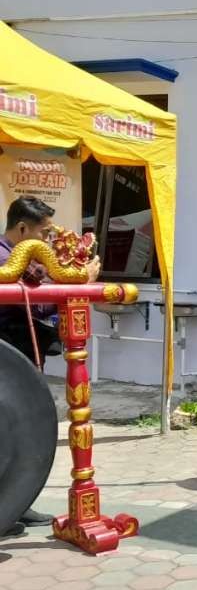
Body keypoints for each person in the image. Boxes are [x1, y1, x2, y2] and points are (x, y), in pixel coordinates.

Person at [0, 196, 101, 533]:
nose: (46, 242)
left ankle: (18, 503)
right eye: (43, 235)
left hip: (22, 357)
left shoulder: (27, 258)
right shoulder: (4, 258)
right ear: (23, 228)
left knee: (23, 436)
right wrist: (78, 279)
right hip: (5, 360)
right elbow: (38, 301)